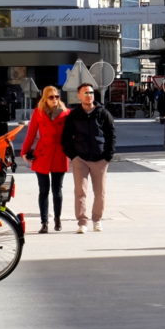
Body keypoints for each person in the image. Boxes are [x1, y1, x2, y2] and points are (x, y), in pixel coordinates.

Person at [60, 81, 116, 233]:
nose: (89, 95)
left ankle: (97, 220)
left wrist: (108, 156)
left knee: (100, 192)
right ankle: (82, 222)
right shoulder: (74, 115)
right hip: (81, 159)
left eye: (91, 92)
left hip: (100, 158)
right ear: (79, 96)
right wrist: (73, 156)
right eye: (85, 92)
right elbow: (66, 138)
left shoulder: (103, 112)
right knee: (80, 191)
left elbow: (111, 134)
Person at [19, 84, 71, 233]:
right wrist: (24, 152)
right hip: (42, 154)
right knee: (43, 190)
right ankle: (44, 223)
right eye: (51, 97)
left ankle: (57, 220)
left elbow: (72, 134)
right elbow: (30, 134)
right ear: (45, 98)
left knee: (57, 190)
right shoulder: (38, 112)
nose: (55, 99)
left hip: (59, 154)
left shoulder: (66, 113)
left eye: (57, 96)